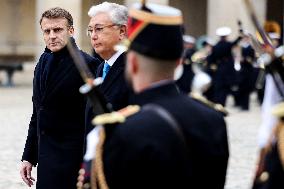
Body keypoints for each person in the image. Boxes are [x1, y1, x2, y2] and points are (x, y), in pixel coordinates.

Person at [82, 2, 229, 189]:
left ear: (132, 63)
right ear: (178, 63)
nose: (94, 35)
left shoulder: (123, 131)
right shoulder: (214, 118)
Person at [20, 7, 100, 188]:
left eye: (58, 30)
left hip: (73, 162)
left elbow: (93, 121)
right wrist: (29, 156)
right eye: (47, 31)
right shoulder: (42, 61)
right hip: (46, 160)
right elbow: (37, 112)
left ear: (71, 31)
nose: (52, 36)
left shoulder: (88, 65)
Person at [85, 2, 132, 134]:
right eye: (90, 30)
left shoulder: (132, 69)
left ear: (122, 31)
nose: (93, 36)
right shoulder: (101, 68)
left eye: (99, 29)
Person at [206, 26, 242, 106]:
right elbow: (235, 42)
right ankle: (222, 104)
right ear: (226, 36)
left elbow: (211, 59)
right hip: (227, 71)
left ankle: (218, 103)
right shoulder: (228, 45)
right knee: (225, 89)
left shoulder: (215, 46)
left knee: (219, 89)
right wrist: (240, 35)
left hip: (219, 70)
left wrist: (212, 66)